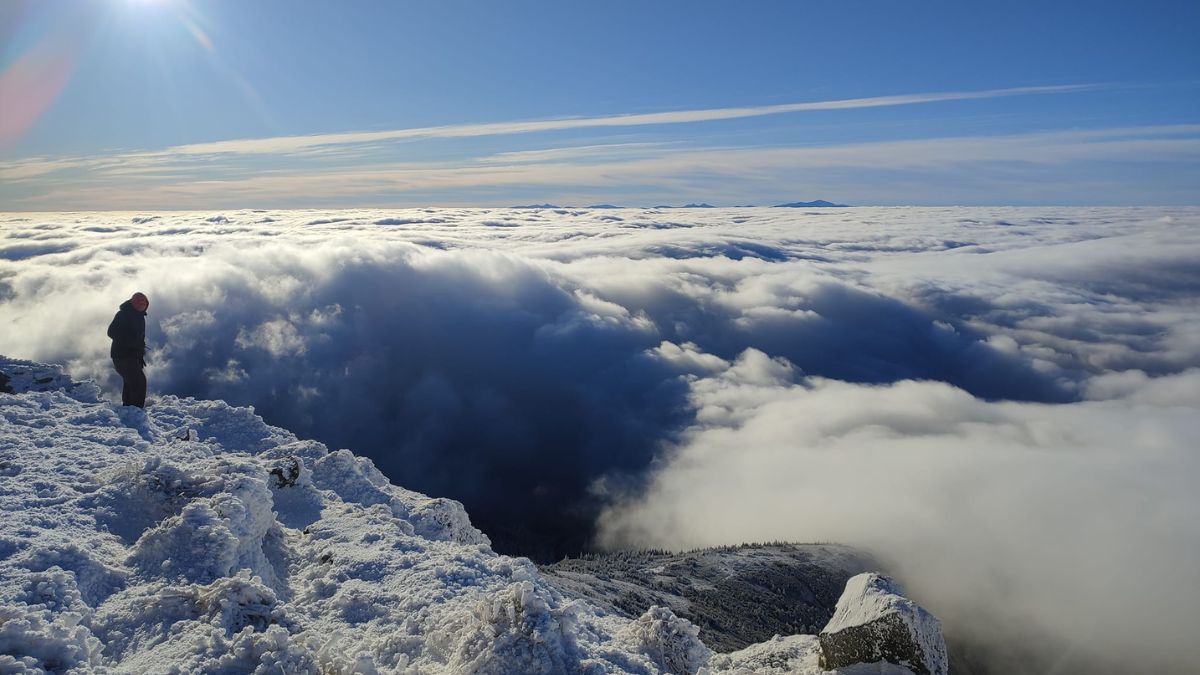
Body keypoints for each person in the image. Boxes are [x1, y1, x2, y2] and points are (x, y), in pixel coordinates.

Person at [107, 292, 150, 407]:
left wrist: (139, 347)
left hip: (132, 356)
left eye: (143, 302)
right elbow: (111, 332)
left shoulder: (139, 315)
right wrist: (133, 343)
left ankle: (129, 408)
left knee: (131, 382)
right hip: (122, 355)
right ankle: (136, 410)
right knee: (139, 382)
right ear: (132, 302)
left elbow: (136, 337)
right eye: (138, 302)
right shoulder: (124, 314)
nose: (141, 304)